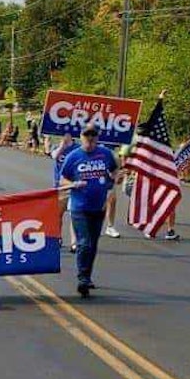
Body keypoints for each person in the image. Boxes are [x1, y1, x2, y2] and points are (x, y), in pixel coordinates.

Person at [59, 125, 116, 298]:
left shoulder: (105, 153)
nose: (90, 138)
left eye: (93, 135)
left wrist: (114, 179)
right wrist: (73, 184)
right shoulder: (74, 156)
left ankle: (87, 275)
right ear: (82, 137)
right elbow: (62, 179)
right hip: (79, 206)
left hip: (98, 206)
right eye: (87, 135)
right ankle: (82, 278)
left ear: (97, 137)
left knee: (93, 244)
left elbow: (114, 170)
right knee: (84, 242)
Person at [51, 134, 80, 250]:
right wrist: (62, 146)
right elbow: (54, 156)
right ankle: (58, 238)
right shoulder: (57, 147)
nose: (64, 136)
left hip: (74, 186)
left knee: (74, 215)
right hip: (60, 186)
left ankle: (74, 243)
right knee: (58, 215)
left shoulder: (78, 148)